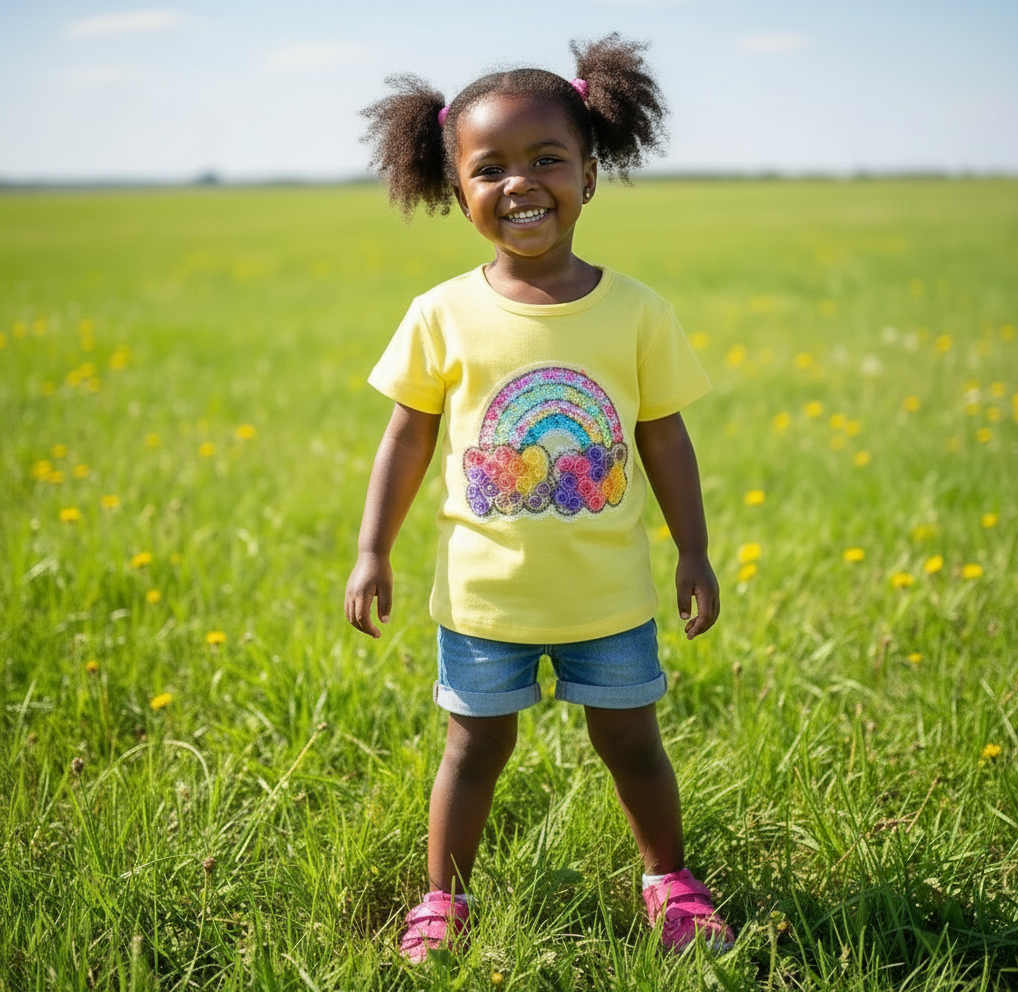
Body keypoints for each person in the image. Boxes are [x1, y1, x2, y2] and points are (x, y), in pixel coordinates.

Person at [345, 33, 735, 961]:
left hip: (609, 595)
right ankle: (446, 898)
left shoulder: (636, 309)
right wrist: (371, 549)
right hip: (486, 597)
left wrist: (694, 549)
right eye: (490, 168)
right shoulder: (442, 312)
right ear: (458, 189)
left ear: (591, 175)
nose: (520, 183)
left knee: (633, 746)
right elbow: (408, 436)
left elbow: (663, 436)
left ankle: (668, 880)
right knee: (473, 752)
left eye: (547, 159)